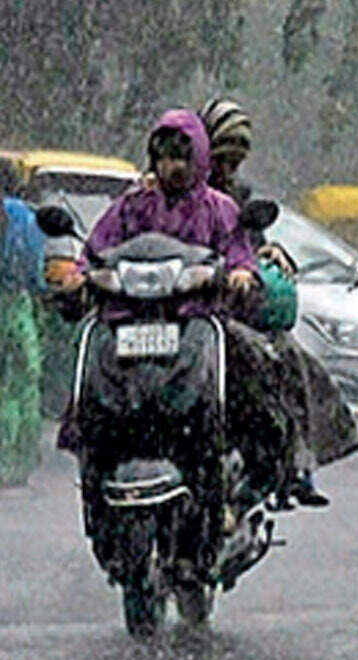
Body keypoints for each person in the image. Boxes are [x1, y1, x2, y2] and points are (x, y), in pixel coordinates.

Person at [53, 109, 292, 510]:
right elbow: (96, 250)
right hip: (126, 319)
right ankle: (91, 454)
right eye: (163, 158)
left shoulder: (219, 209)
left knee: (257, 370)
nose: (172, 167)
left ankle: (266, 465)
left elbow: (240, 255)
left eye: (181, 157)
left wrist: (240, 275)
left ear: (199, 158)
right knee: (91, 371)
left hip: (196, 318)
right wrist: (79, 276)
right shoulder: (132, 207)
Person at [199, 97, 358, 508]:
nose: (228, 168)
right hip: (180, 307)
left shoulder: (238, 199)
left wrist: (268, 255)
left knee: (285, 358)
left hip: (231, 308)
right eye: (221, 156)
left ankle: (294, 460)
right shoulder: (174, 193)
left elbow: (248, 246)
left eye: (236, 159)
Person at [0, 159, 47, 486]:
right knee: (22, 385)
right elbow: (35, 270)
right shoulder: (26, 218)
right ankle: (16, 462)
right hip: (16, 305)